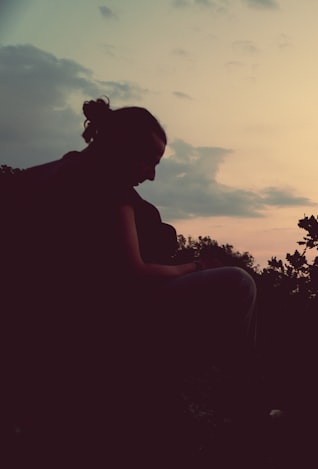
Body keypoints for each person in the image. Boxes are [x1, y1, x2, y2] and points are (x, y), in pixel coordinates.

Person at [5, 98, 257, 430]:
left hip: (54, 318)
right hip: (100, 321)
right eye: (148, 161)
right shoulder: (106, 185)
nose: (151, 175)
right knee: (238, 283)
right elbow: (132, 273)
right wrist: (195, 267)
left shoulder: (48, 174)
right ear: (120, 147)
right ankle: (240, 406)